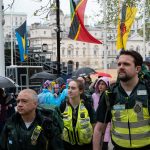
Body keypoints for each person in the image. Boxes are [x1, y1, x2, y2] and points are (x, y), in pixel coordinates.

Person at [93, 50, 150, 150]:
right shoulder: (109, 94)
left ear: (137, 69)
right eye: (119, 64)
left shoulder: (147, 89)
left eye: (126, 64)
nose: (121, 67)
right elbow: (99, 129)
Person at [60, 80, 96, 150]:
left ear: (81, 91)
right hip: (67, 146)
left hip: (85, 146)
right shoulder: (63, 106)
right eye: (69, 88)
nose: (69, 90)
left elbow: (94, 125)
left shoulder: (87, 106)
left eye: (73, 88)